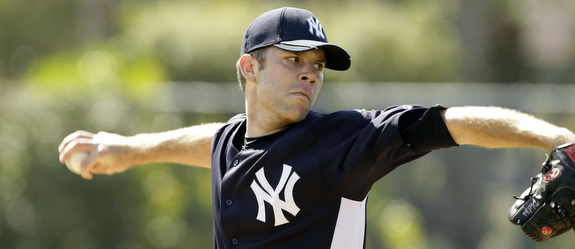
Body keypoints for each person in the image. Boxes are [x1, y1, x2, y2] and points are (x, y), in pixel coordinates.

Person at [58, 7, 575, 249]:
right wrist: (127, 148)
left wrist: (561, 141)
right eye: (293, 59)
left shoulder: (342, 142)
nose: (310, 71)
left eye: (318, 64)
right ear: (248, 68)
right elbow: (209, 142)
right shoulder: (232, 144)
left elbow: (451, 122)